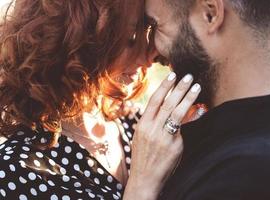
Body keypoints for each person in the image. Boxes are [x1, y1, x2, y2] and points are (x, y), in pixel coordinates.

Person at [0, 0, 202, 199]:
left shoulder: (135, 122)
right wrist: (141, 185)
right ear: (74, 39)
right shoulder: (16, 170)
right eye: (130, 39)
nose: (148, 56)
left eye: (148, 33)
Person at [133, 0, 270, 199]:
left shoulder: (242, 178)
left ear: (210, 14)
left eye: (155, 25)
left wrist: (140, 189)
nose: (152, 53)